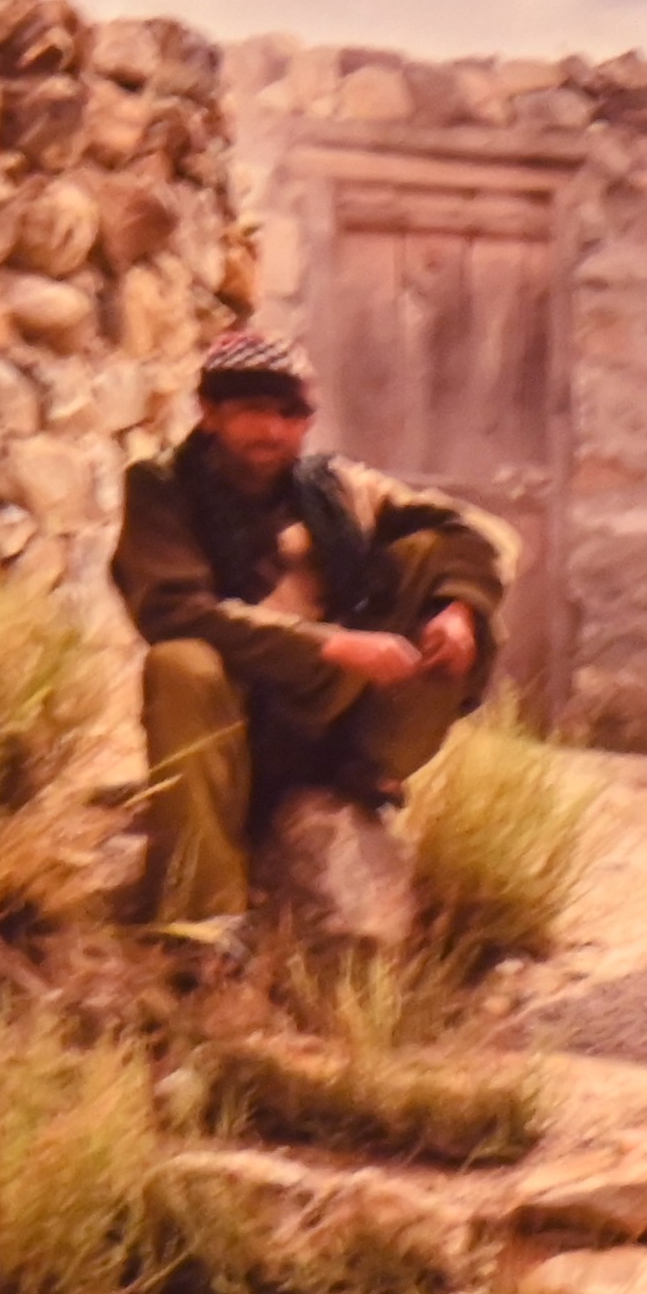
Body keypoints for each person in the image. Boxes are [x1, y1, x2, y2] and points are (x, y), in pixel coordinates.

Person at [115, 333, 514, 945]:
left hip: (331, 719)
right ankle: (204, 912)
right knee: (180, 662)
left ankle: (368, 774)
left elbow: (479, 533)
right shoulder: (162, 488)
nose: (274, 431)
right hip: (234, 721)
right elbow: (174, 610)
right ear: (210, 412)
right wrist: (328, 645)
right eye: (253, 410)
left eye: (291, 414)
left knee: (442, 564)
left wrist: (456, 610)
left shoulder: (335, 488)